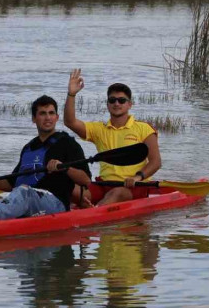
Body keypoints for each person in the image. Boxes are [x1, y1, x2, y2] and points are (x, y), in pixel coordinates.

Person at [63, 68, 161, 206]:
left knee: (117, 193)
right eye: (112, 100)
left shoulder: (144, 128)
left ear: (129, 104)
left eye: (122, 100)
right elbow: (70, 122)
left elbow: (155, 162)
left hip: (133, 187)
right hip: (104, 184)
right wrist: (71, 94)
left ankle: (93, 213)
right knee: (68, 188)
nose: (116, 103)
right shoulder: (99, 129)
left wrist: (137, 177)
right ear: (107, 104)